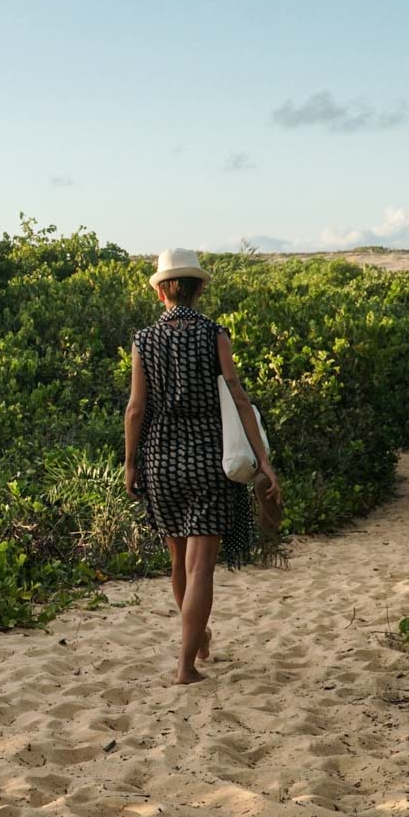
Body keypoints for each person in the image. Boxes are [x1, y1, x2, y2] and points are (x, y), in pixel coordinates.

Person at [123, 248, 281, 685]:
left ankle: (198, 638)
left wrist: (130, 462)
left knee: (179, 564)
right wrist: (263, 459)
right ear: (198, 289)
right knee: (200, 568)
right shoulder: (214, 334)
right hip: (209, 459)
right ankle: (185, 665)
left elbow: (136, 408)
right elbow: (237, 395)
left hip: (160, 460)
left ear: (161, 293)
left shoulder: (143, 340)